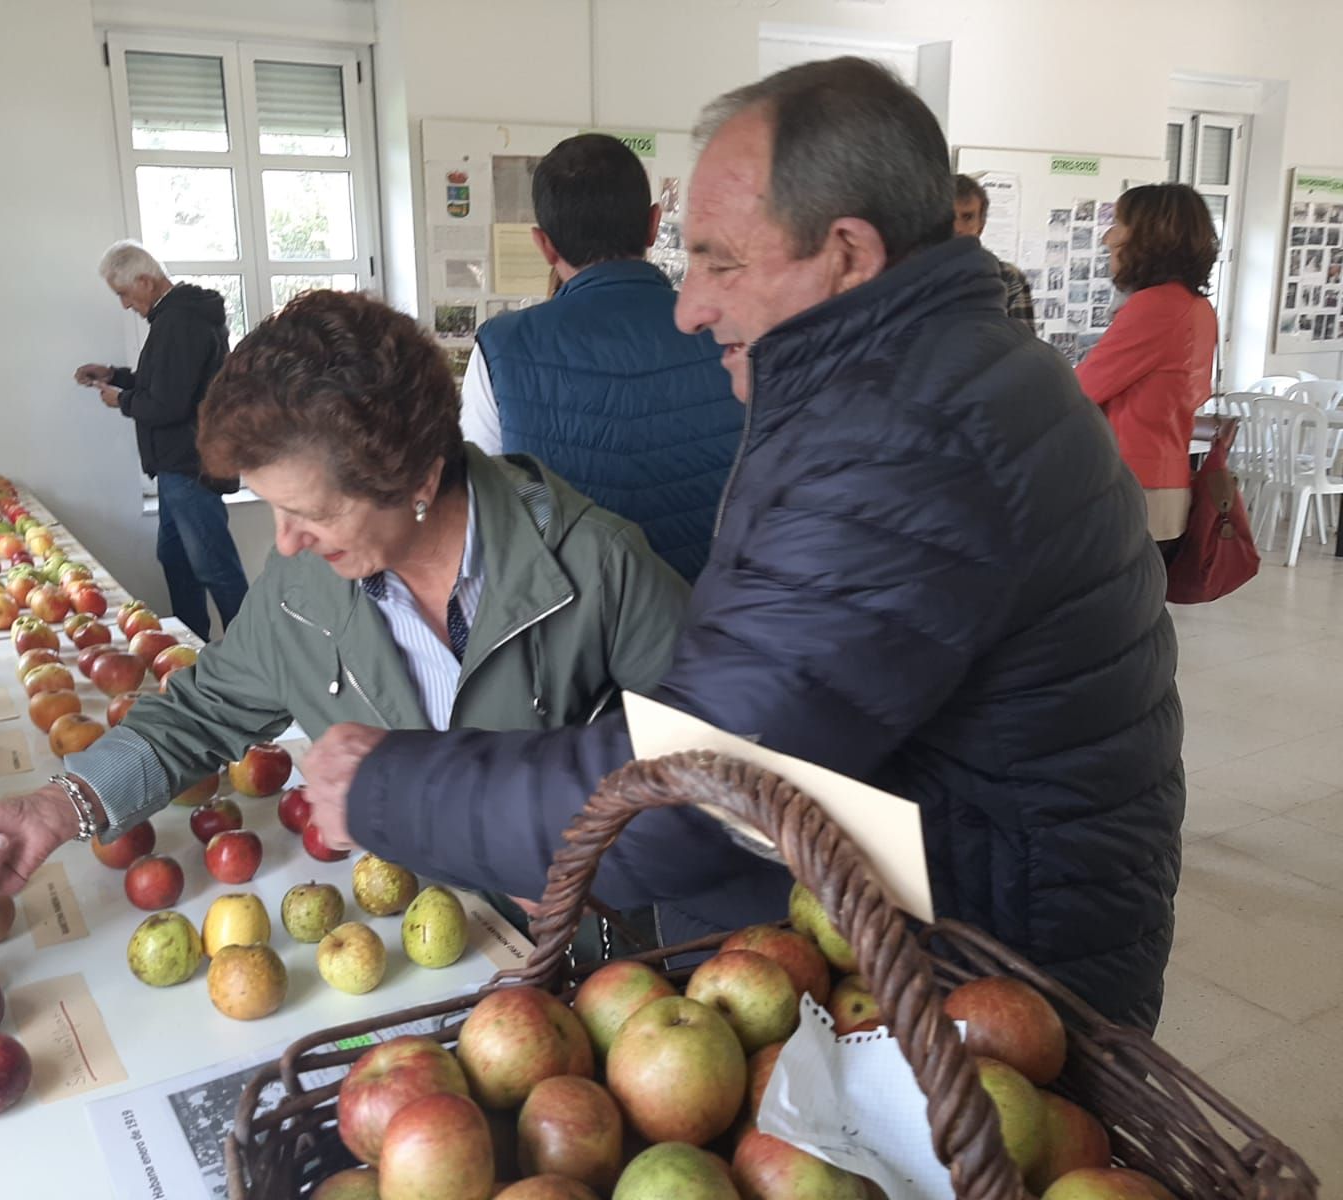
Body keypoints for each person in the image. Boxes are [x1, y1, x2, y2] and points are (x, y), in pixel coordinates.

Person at [303, 58, 1185, 1030]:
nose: (690, 306)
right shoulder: (923, 375)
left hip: (982, 973)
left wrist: (391, 786)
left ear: (846, 253)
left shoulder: (904, 433)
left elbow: (705, 782)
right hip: (941, 908)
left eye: (722, 261)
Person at [0, 290, 689, 925]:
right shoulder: (306, 584)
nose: (284, 545)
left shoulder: (596, 566)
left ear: (417, 476)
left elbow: (715, 777)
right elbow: (201, 712)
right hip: (419, 941)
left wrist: (577, 867)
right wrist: (56, 811)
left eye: (309, 515)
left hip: (579, 950)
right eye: (272, 510)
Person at [460, 134, 742, 582]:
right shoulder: (727, 332)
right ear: (654, 224)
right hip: (705, 617)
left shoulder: (501, 347)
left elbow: (482, 511)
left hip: (569, 629)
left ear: (544, 245)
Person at [74, 241, 248, 641]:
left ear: (145, 281)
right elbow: (165, 386)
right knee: (177, 559)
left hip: (191, 466)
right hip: (177, 467)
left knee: (214, 567)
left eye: (123, 293)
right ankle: (193, 649)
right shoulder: (176, 318)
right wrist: (116, 375)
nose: (124, 304)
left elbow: (166, 404)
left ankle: (253, 659)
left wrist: (122, 400)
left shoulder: (179, 323)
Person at [1075, 185, 1219, 562]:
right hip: (1162, 483)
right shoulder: (1193, 304)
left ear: (1151, 236)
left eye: (1119, 224)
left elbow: (1080, 390)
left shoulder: (1156, 306)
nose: (1108, 238)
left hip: (1136, 486)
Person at [953, 174, 1037, 331]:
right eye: (949, 217)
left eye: (968, 217)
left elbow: (1024, 349)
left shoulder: (1007, 277)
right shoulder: (913, 276)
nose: (958, 227)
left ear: (981, 225)